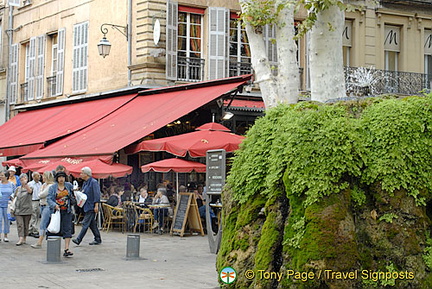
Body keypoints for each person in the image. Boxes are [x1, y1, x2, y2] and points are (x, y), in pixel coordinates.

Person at [47, 171, 75, 257]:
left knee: (68, 229)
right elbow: (49, 199)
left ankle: (66, 249)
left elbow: (73, 197)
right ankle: (54, 248)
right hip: (56, 211)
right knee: (55, 229)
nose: (61, 179)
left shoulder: (69, 186)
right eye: (59, 177)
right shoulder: (53, 187)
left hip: (67, 210)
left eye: (63, 177)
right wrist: (54, 205)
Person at [72, 167, 102, 246]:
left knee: (85, 223)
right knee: (92, 224)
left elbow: (97, 194)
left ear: (86, 174)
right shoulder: (85, 183)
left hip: (91, 205)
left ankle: (79, 239)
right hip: (85, 205)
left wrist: (96, 205)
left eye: (82, 173)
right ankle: (97, 238)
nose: (80, 174)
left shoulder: (94, 182)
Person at [31, 171, 54, 249]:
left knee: (43, 223)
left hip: (47, 206)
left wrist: (41, 191)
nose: (42, 178)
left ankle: (39, 242)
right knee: (44, 223)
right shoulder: (44, 185)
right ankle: (44, 239)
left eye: (43, 176)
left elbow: (41, 195)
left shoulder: (50, 186)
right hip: (42, 205)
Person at [13, 174, 33, 246]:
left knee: (26, 225)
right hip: (18, 209)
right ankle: (20, 238)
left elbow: (30, 191)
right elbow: (14, 196)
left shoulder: (30, 187)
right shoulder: (18, 188)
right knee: (20, 224)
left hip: (27, 209)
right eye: (21, 180)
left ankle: (24, 237)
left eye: (24, 179)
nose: (22, 181)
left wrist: (26, 184)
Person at [0, 170, 16, 242]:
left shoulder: (11, 184)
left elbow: (15, 192)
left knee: (7, 220)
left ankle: (6, 235)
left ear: (6, 176)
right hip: (0, 204)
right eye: (0, 175)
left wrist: (12, 197)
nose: (1, 176)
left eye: (2, 175)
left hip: (8, 204)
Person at [28, 171, 42, 238]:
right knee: (33, 215)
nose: (39, 177)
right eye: (38, 176)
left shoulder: (40, 184)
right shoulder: (30, 184)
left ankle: (30, 230)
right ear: (33, 177)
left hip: (39, 201)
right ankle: (35, 230)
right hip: (32, 201)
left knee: (37, 216)